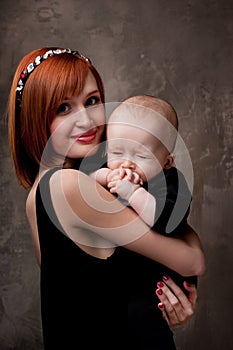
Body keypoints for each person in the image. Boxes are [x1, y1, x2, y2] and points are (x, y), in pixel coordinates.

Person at [8, 47, 205, 349]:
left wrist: (166, 304)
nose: (87, 120)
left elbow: (111, 291)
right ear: (36, 116)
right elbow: (192, 260)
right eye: (63, 108)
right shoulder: (67, 186)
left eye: (92, 101)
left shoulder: (44, 193)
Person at [90, 95, 198, 348]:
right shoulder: (107, 168)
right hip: (114, 285)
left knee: (147, 334)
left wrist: (134, 193)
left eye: (141, 156)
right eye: (117, 151)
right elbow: (81, 178)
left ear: (166, 162)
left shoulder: (172, 182)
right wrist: (105, 175)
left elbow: (166, 220)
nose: (127, 163)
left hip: (150, 287)